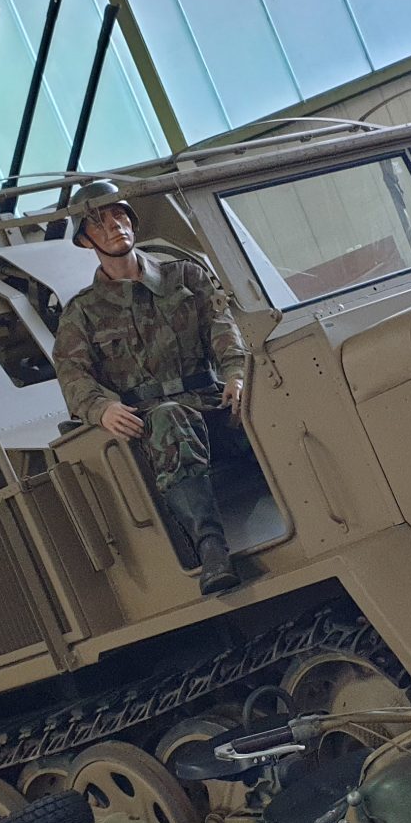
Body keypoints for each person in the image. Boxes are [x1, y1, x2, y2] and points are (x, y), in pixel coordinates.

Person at [51, 181, 251, 595]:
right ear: (86, 240)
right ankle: (211, 548)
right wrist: (101, 408)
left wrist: (236, 373)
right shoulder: (82, 314)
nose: (114, 226)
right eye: (99, 223)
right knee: (169, 418)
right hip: (154, 433)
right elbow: (73, 376)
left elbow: (224, 330)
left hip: (213, 409)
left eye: (119, 215)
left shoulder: (186, 277)